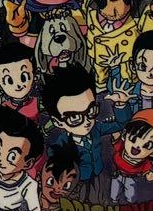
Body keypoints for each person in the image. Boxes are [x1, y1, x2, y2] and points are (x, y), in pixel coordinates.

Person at [41, 62, 133, 203]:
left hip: (97, 175)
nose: (87, 121)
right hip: (76, 183)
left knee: (98, 200)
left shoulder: (96, 129)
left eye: (91, 111)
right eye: (74, 117)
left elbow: (121, 124)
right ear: (58, 122)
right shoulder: (61, 144)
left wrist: (121, 105)